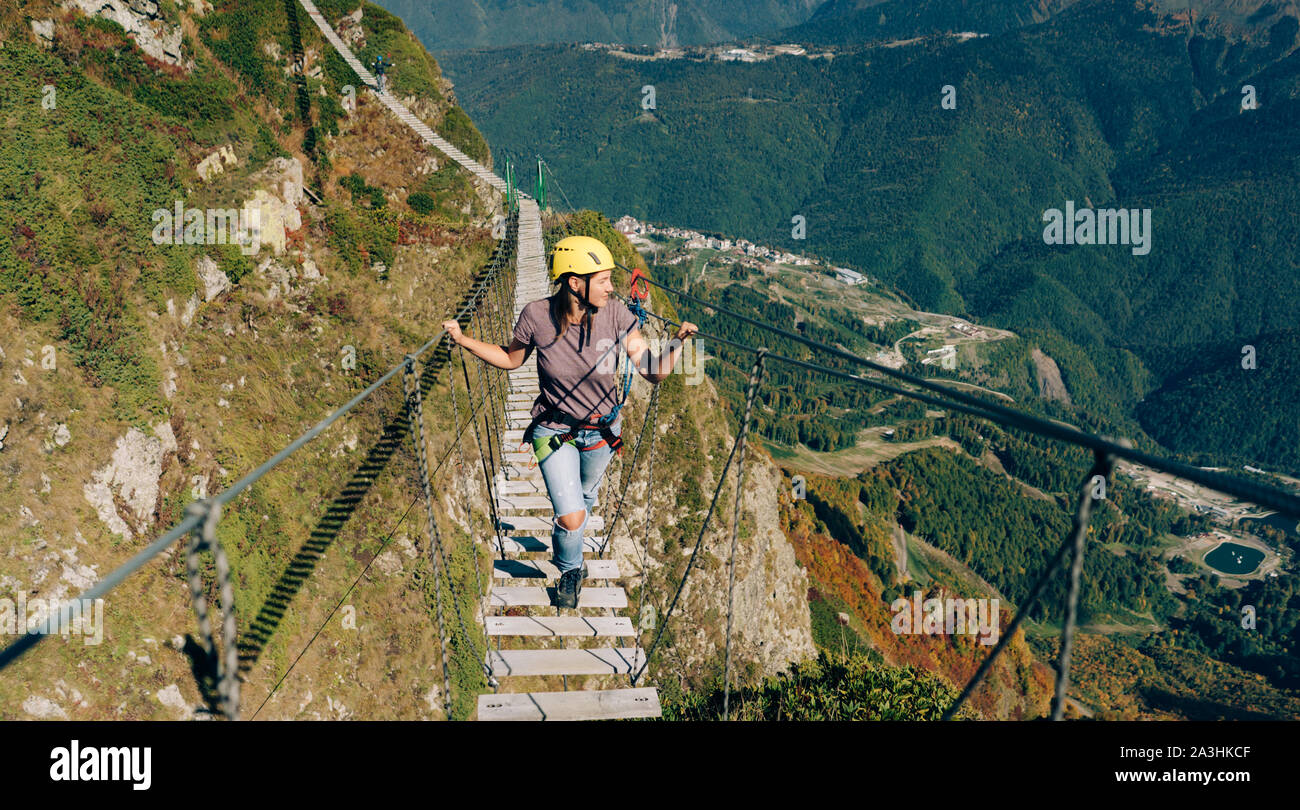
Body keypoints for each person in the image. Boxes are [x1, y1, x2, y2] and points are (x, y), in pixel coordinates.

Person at [443, 235, 697, 608]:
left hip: (602, 432)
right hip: (554, 430)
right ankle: (570, 568)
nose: (612, 287)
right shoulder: (536, 316)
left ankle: (567, 538)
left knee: (585, 498)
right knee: (574, 516)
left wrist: (677, 343)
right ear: (575, 283)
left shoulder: (616, 315)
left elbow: (652, 372)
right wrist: (464, 341)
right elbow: (512, 359)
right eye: (604, 279)